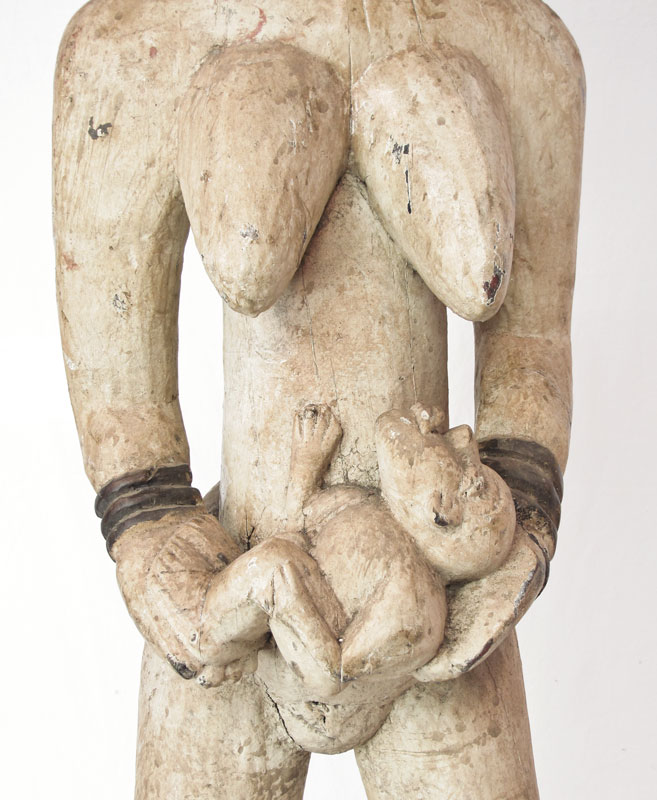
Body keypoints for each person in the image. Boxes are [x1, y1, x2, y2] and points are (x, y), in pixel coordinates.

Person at [53, 1, 584, 797]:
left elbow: (532, 339)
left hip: (434, 610)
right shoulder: (132, 41)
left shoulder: (523, 44)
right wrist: (146, 521)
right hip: (236, 578)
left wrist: (521, 526)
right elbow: (110, 330)